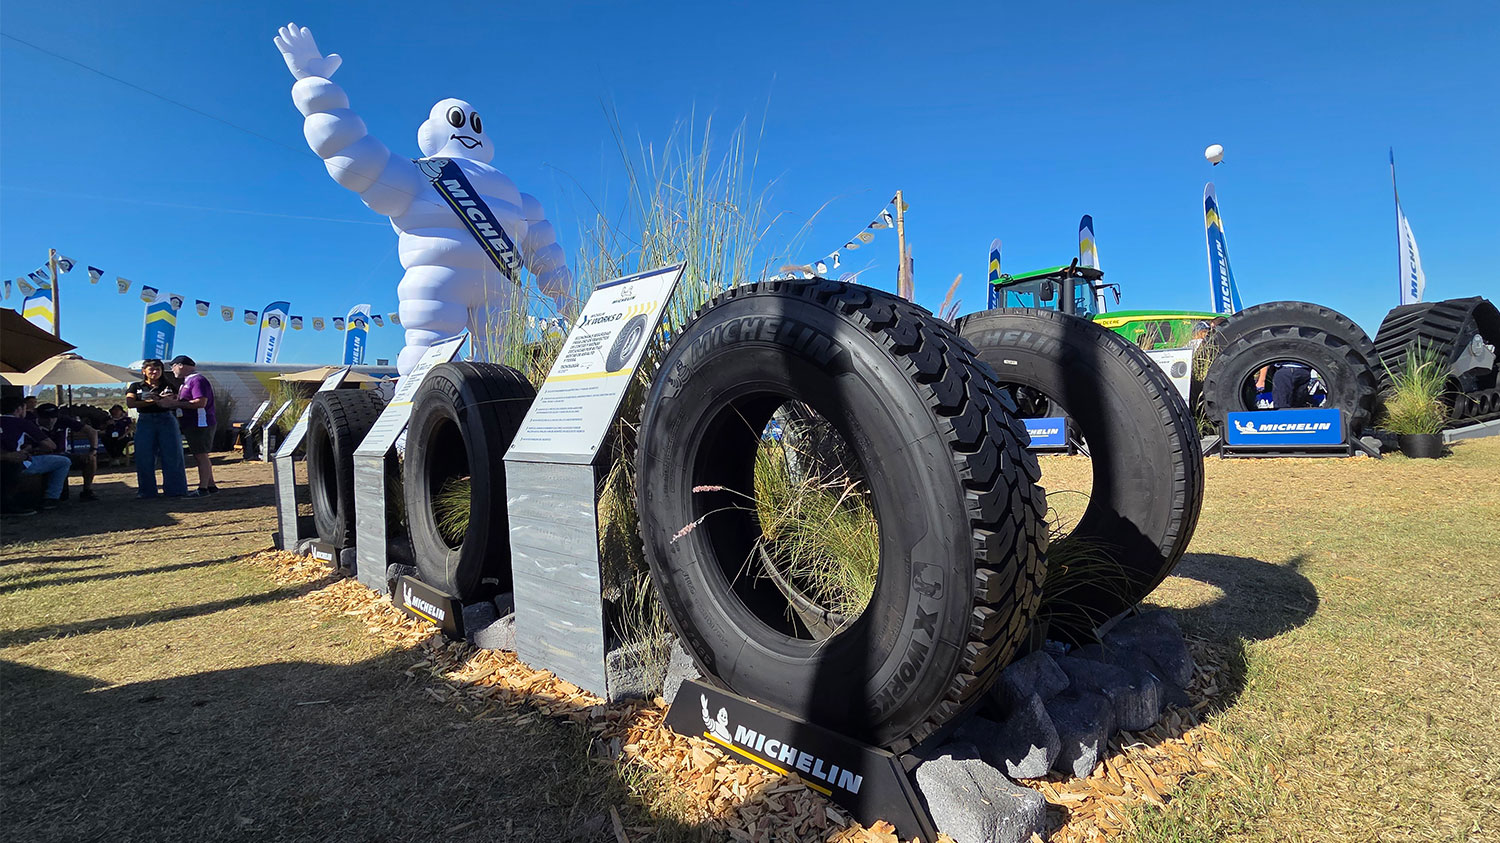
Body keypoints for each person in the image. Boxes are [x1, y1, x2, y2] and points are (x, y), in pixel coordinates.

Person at [126, 359, 190, 498]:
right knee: (144, 456)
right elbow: (130, 403)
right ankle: (146, 492)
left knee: (173, 455)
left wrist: (166, 401)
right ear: (144, 371)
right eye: (151, 370)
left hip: (166, 420)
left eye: (158, 369)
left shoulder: (169, 385)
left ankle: (176, 490)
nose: (154, 372)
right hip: (145, 421)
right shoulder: (135, 386)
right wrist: (152, 401)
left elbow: (175, 402)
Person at [1, 394, 72, 511]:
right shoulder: (23, 423)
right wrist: (30, 448)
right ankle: (51, 498)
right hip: (19, 463)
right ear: (19, 409)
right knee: (63, 461)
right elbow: (50, 445)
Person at [169, 355, 218, 495]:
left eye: (172, 367)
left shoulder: (197, 380)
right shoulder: (188, 381)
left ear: (180, 365)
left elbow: (201, 402)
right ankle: (211, 485)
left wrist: (175, 403)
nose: (172, 370)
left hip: (200, 423)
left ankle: (202, 488)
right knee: (202, 455)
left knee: (200, 455)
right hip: (192, 423)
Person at [34, 403, 99, 501]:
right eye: (46, 418)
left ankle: (87, 490)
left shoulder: (63, 420)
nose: (50, 420)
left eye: (53, 417)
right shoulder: (30, 424)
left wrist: (93, 450)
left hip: (62, 455)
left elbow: (91, 431)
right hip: (41, 457)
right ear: (39, 417)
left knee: (90, 459)